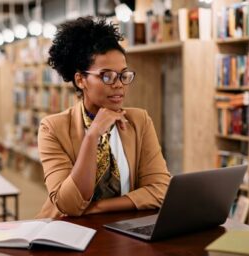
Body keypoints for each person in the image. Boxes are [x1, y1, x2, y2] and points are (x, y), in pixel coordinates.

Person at [36, 17, 171, 218]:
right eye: (107, 76)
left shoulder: (139, 121)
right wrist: (92, 137)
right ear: (81, 80)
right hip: (68, 236)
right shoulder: (52, 128)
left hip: (123, 234)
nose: (119, 84)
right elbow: (69, 205)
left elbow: (161, 190)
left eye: (124, 75)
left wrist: (97, 208)